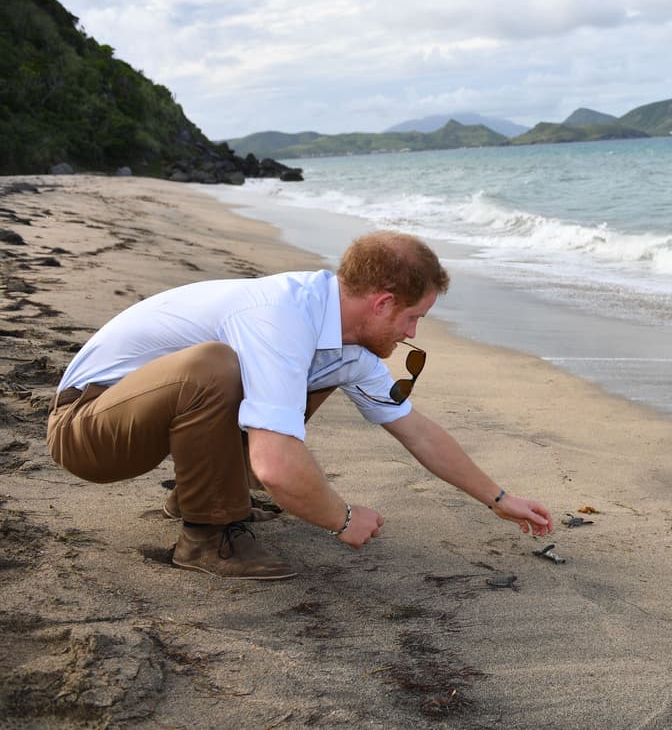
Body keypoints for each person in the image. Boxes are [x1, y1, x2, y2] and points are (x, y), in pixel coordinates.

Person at [46, 231, 553, 580]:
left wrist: (498, 497)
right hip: (87, 429)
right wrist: (341, 516)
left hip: (146, 415)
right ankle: (206, 535)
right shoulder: (281, 316)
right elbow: (275, 465)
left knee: (295, 378)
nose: (412, 333)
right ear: (381, 303)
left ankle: (196, 498)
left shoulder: (346, 344)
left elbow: (415, 429)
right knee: (217, 366)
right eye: (411, 317)